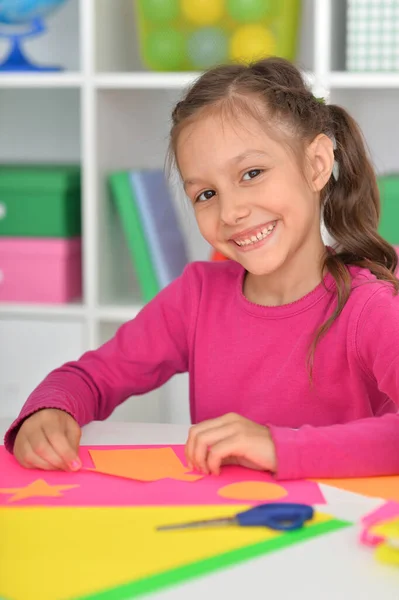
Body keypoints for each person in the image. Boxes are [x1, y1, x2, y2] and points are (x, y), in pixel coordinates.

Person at [4, 57, 399, 480]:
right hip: (223, 529)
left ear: (317, 163)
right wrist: (49, 410)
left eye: (252, 173)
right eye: (206, 193)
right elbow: (92, 376)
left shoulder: (368, 307)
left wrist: (277, 447)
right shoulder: (196, 297)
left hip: (340, 534)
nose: (231, 211)